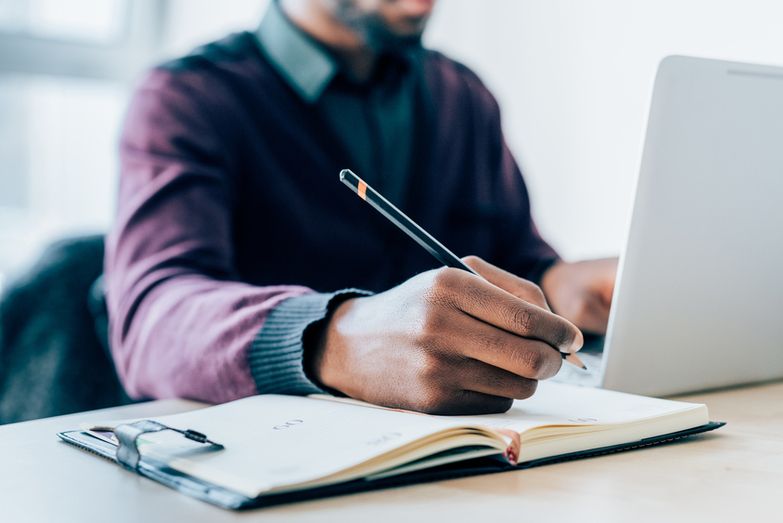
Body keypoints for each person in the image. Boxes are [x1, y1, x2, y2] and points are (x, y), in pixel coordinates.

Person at [106, 0, 617, 415]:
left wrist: (567, 290)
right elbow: (151, 320)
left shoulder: (463, 95)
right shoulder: (187, 97)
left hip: (464, 465)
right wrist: (334, 342)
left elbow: (515, 262)